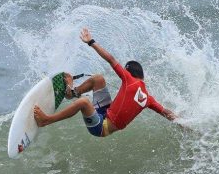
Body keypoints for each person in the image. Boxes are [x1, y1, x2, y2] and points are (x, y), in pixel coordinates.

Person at [33, 28, 176, 137]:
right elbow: (166, 113)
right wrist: (186, 123)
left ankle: (46, 120)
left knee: (84, 103)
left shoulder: (129, 79)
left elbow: (111, 59)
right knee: (98, 79)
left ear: (129, 72)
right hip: (105, 112)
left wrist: (91, 42)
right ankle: (71, 92)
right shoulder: (148, 99)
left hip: (101, 127)